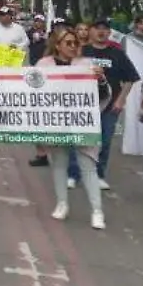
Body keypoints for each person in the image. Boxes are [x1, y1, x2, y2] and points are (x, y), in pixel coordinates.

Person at [35, 30, 107, 230]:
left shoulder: (86, 66)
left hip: (81, 122)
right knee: (59, 164)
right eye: (68, 43)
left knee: (88, 166)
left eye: (75, 42)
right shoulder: (44, 65)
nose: (73, 46)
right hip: (55, 122)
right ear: (57, 45)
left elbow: (101, 94)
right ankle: (62, 203)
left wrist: (100, 79)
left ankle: (97, 211)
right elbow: (32, 93)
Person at [73, 17, 139, 190]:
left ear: (109, 33)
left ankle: (99, 174)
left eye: (105, 29)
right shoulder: (81, 51)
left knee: (104, 140)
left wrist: (121, 99)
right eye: (97, 28)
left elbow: (131, 79)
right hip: (83, 105)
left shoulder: (117, 53)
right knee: (78, 139)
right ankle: (73, 174)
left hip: (110, 106)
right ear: (90, 31)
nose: (101, 32)